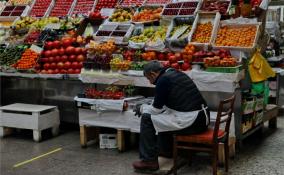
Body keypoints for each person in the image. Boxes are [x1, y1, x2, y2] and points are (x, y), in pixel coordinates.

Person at [132, 60, 210, 172]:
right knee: (164, 116)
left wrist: (142, 108)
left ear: (153, 74)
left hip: (194, 122)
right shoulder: (173, 72)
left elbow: (155, 110)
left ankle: (149, 161)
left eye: (149, 79)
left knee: (147, 118)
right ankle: (166, 151)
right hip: (202, 118)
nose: (150, 82)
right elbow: (164, 104)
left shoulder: (163, 80)